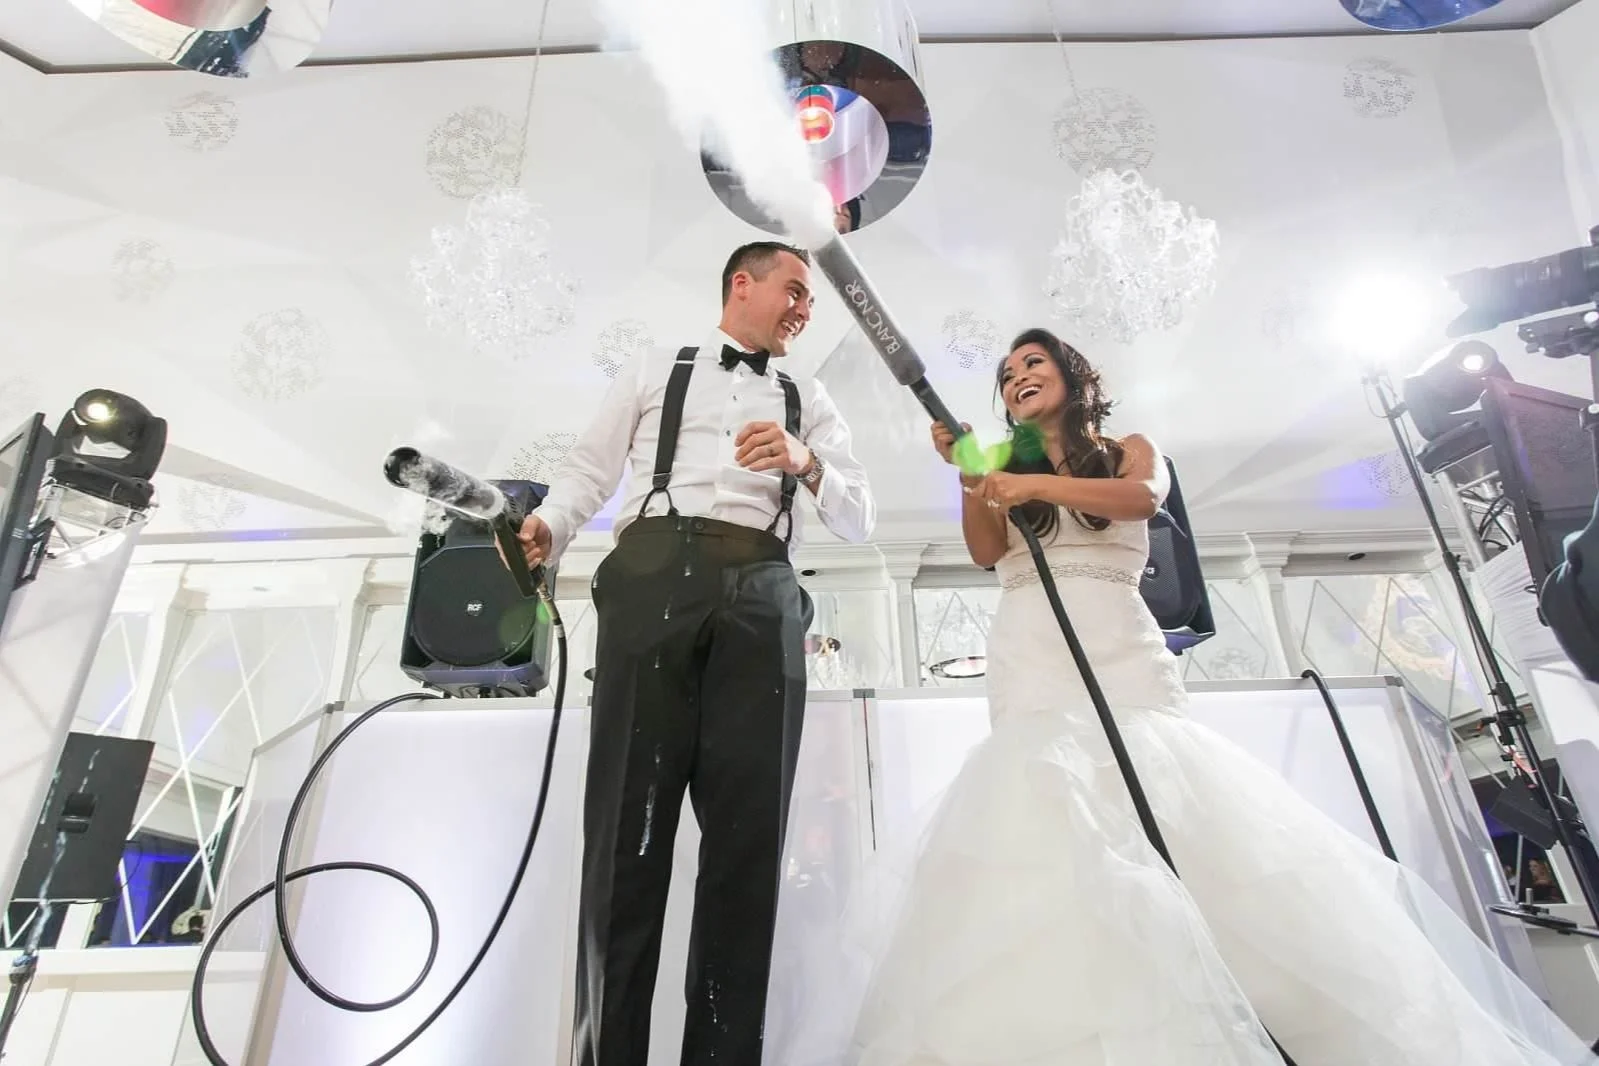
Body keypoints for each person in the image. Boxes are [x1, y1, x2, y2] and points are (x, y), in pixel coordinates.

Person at [836, 328, 1596, 1066]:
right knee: (1039, 811)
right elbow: (982, 551)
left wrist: (1024, 479)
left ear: (1071, 376)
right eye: (1005, 374)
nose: (1016, 377)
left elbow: (1138, 498)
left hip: (1117, 645)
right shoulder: (1000, 463)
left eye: (1032, 362)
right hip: (1027, 649)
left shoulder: (1128, 448)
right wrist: (972, 477)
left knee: (1165, 798)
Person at [513, 241, 875, 1066]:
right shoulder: (653, 367)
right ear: (740, 285)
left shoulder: (808, 396)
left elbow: (860, 518)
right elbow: (585, 469)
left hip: (764, 589)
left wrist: (803, 459)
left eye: (810, 300)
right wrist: (551, 527)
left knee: (747, 843)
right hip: (650, 575)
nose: (804, 309)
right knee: (625, 837)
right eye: (794, 290)